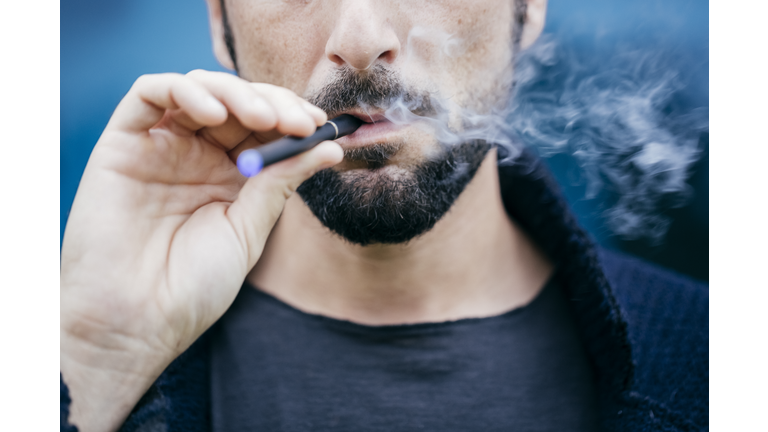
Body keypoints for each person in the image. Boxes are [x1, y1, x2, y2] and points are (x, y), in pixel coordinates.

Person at [60, 0, 708, 430]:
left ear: (529, 6)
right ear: (218, 21)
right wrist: (92, 367)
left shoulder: (714, 364)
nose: (364, 41)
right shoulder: (78, 360)